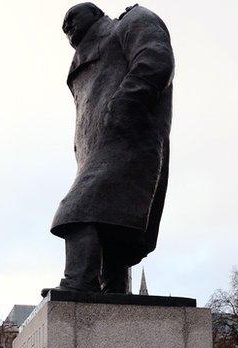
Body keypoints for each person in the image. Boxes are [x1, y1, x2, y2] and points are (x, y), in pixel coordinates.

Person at [45, 3, 175, 295]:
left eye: (72, 18)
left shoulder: (131, 21)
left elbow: (155, 59)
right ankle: (114, 290)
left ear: (95, 14)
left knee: (79, 209)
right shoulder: (85, 57)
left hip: (128, 137)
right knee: (112, 219)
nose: (68, 27)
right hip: (99, 147)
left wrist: (126, 103)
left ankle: (79, 282)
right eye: (64, 27)